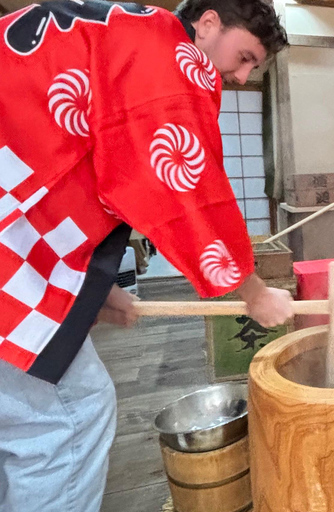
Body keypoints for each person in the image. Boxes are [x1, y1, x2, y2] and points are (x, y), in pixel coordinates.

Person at [0, 1, 291, 510]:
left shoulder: (124, 31)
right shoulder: (167, 57)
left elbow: (75, 161)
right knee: (69, 419)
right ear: (207, 24)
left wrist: (91, 288)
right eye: (244, 57)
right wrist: (255, 292)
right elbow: (190, 194)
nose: (243, 77)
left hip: (16, 233)